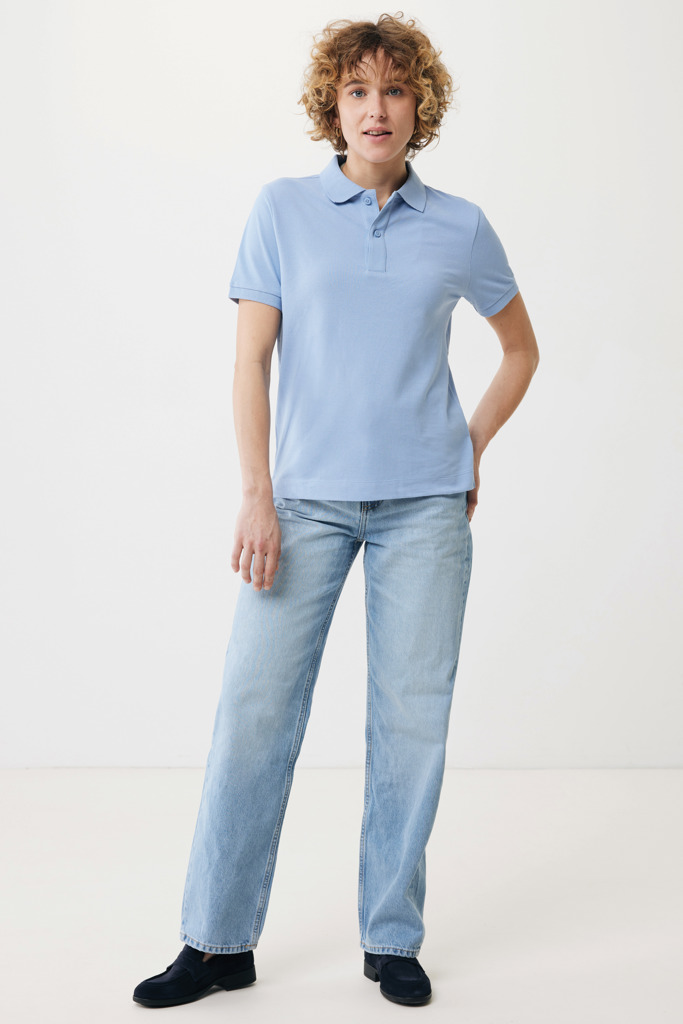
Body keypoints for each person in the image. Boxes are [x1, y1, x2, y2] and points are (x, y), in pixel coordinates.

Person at [133, 11, 539, 1010]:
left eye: (393, 89)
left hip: (424, 511)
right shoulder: (281, 209)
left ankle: (390, 938)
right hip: (303, 504)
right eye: (357, 90)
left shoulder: (459, 226)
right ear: (332, 105)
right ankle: (217, 942)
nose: (375, 108)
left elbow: (520, 349)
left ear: (419, 105)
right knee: (253, 711)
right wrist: (255, 494)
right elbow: (250, 363)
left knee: (410, 723)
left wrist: (470, 445)